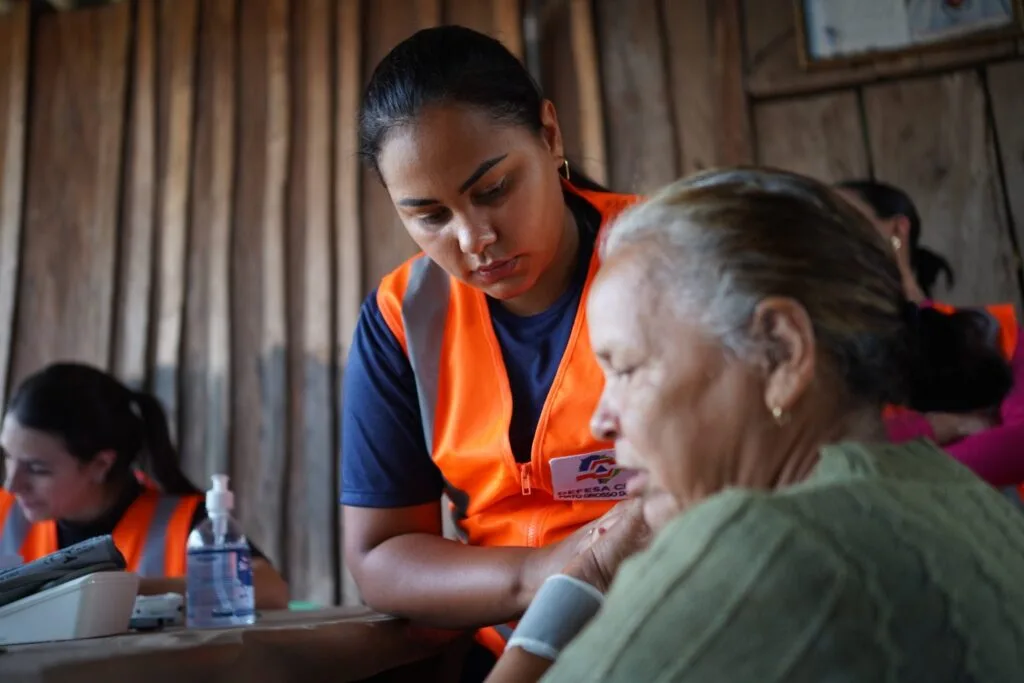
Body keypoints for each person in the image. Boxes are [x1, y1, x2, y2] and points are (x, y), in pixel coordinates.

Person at [484, 168, 1024, 683]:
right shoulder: (951, 492)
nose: (602, 420)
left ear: (782, 353)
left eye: (627, 369)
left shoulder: (766, 542)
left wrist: (589, 578)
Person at [340, 24, 641, 676]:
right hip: (502, 645)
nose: (474, 238)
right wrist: (540, 573)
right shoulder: (403, 317)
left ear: (549, 135)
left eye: (494, 189)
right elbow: (380, 554)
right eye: (430, 216)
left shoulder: (666, 255)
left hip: (670, 627)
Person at [0, 362, 289, 608]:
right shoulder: (5, 510)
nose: (12, 483)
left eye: (37, 469)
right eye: (8, 457)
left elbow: (270, 589)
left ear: (100, 464)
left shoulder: (183, 523)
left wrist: (132, 591)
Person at [835, 179, 1024, 489]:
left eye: (841, 217)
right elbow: (831, 455)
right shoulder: (825, 356)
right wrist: (941, 426)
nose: (828, 237)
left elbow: (1020, 443)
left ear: (897, 231)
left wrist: (892, 469)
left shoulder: (992, 329)